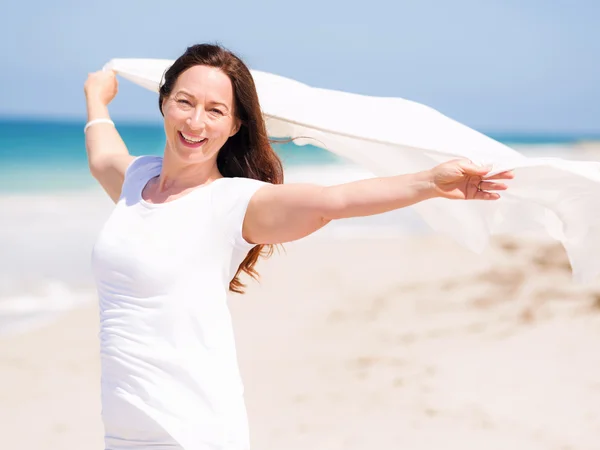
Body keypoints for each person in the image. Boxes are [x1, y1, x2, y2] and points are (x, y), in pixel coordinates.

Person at [84, 43, 514, 450]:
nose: (196, 121)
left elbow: (333, 202)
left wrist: (429, 183)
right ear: (164, 102)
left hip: (190, 431)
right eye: (185, 102)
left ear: (234, 125)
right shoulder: (137, 179)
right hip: (123, 433)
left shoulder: (233, 202)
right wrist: (97, 100)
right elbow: (103, 155)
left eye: (215, 110)